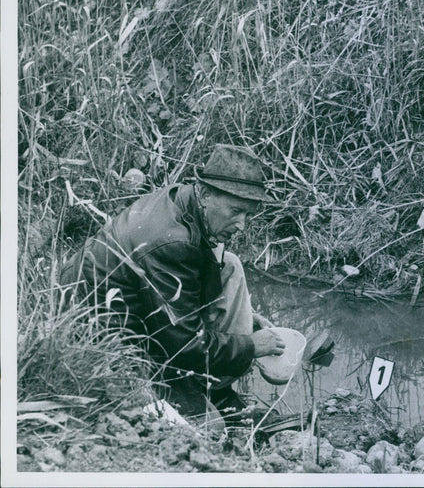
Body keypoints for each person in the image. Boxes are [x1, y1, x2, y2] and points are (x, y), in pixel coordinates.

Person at [61, 144, 286, 424]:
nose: (241, 224)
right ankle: (209, 394)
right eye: (236, 211)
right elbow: (186, 347)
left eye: (247, 214)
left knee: (230, 264)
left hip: (129, 307)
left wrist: (247, 320)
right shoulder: (172, 243)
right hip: (102, 337)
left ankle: (216, 388)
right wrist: (250, 346)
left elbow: (191, 282)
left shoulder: (183, 199)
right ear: (205, 194)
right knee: (210, 428)